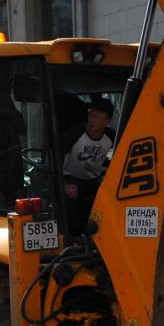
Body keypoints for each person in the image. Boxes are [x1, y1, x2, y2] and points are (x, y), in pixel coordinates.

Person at [60, 95, 115, 234]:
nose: (91, 120)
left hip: (94, 182)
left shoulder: (113, 137)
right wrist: (64, 184)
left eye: (97, 117)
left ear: (107, 121)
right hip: (71, 181)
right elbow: (54, 159)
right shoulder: (74, 135)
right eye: (91, 115)